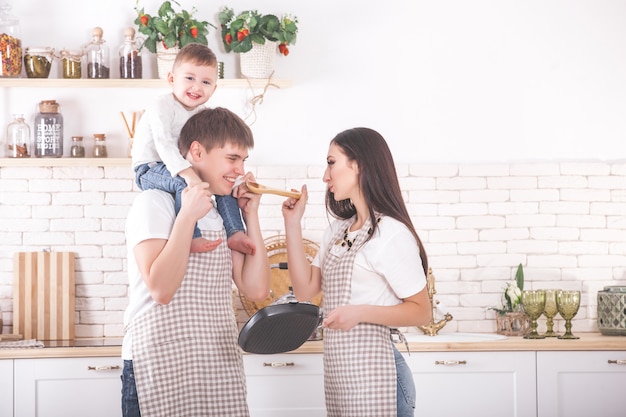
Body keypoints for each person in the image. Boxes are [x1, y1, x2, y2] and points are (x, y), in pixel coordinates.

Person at [121, 107, 271, 417]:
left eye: (244, 160)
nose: (240, 170)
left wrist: (250, 215)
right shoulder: (154, 203)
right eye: (232, 159)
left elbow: (256, 289)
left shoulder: (221, 211)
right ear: (197, 151)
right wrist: (187, 216)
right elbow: (161, 290)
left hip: (214, 363)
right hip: (158, 363)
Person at [281, 127, 433, 417]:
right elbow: (305, 290)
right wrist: (293, 224)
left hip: (381, 378)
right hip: (343, 378)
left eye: (331, 162)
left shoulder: (390, 233)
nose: (326, 176)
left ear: (359, 164)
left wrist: (359, 312)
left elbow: (421, 311)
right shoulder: (339, 231)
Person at [131, 42, 255, 255]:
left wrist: (233, 176)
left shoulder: (202, 112)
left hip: (179, 167)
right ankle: (191, 236)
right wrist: (188, 174)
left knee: (220, 186)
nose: (197, 87)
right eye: (189, 78)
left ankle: (235, 231)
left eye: (205, 82)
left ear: (214, 88)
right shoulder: (162, 106)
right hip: (150, 168)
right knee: (182, 183)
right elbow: (164, 144)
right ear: (172, 79)